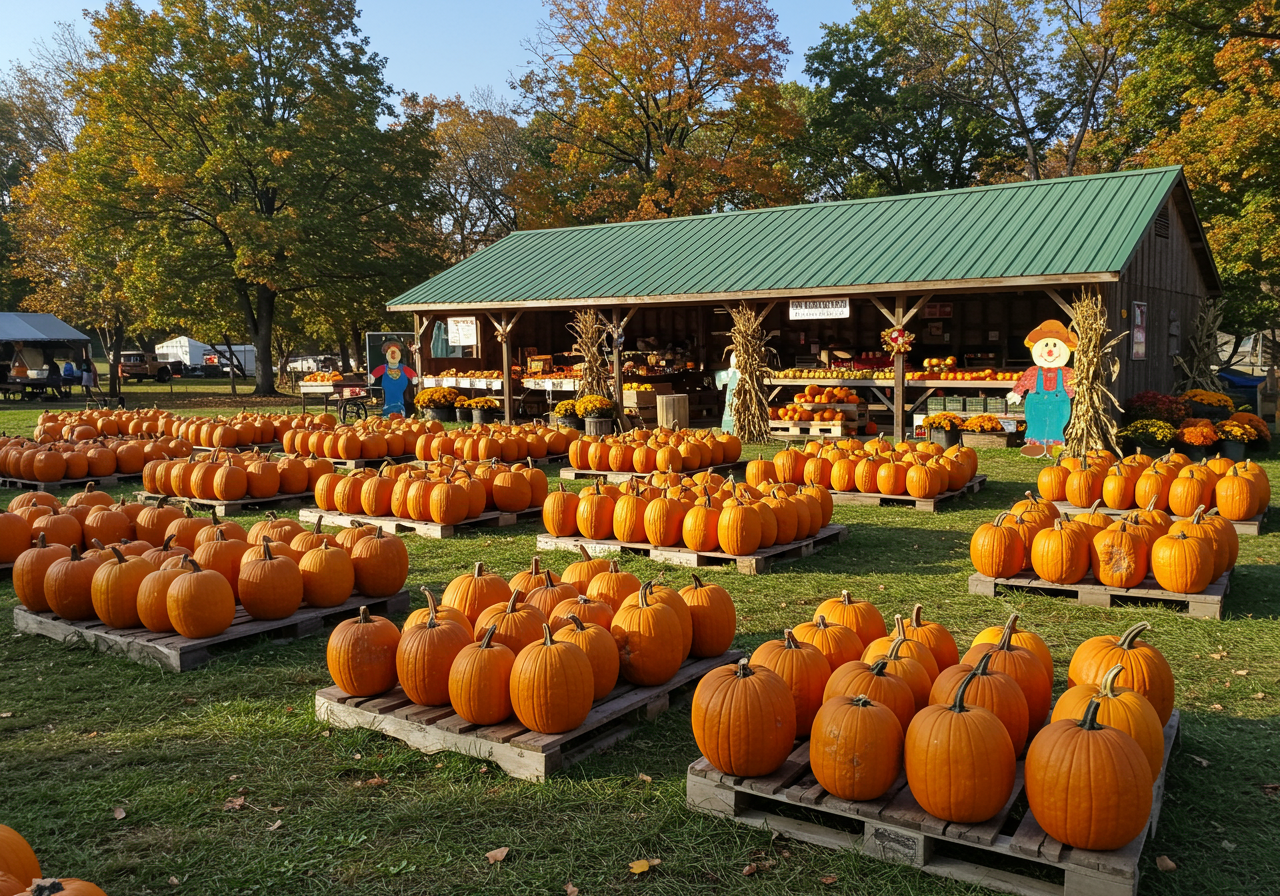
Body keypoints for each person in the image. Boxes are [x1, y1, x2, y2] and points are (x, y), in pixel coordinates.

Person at [1006, 320, 1077, 457]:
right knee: (1036, 424)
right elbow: (1024, 382)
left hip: (1058, 405)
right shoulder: (1033, 371)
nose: (1050, 350)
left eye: (1055, 345)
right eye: (1045, 345)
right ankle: (1036, 446)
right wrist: (1017, 392)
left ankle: (1054, 446)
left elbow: (1075, 386)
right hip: (1036, 405)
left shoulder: (1068, 373)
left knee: (1056, 425)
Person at [368, 339, 417, 417]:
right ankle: (388, 413)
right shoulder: (384, 368)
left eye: (395, 353)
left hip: (400, 391)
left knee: (399, 401)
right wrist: (372, 377)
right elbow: (378, 371)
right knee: (389, 400)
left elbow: (410, 372)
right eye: (391, 353)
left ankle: (400, 413)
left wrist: (413, 377)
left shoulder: (402, 368)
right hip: (388, 390)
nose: (393, 356)